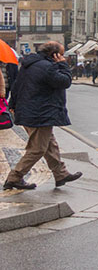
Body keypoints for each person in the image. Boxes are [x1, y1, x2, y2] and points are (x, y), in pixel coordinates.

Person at [3, 41, 82, 191]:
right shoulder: (48, 67)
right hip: (40, 114)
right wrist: (63, 65)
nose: (63, 57)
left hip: (30, 111)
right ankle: (15, 177)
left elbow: (16, 86)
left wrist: (13, 105)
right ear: (56, 55)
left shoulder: (30, 65)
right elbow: (65, 82)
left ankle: (61, 174)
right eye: (62, 54)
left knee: (50, 144)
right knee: (37, 148)